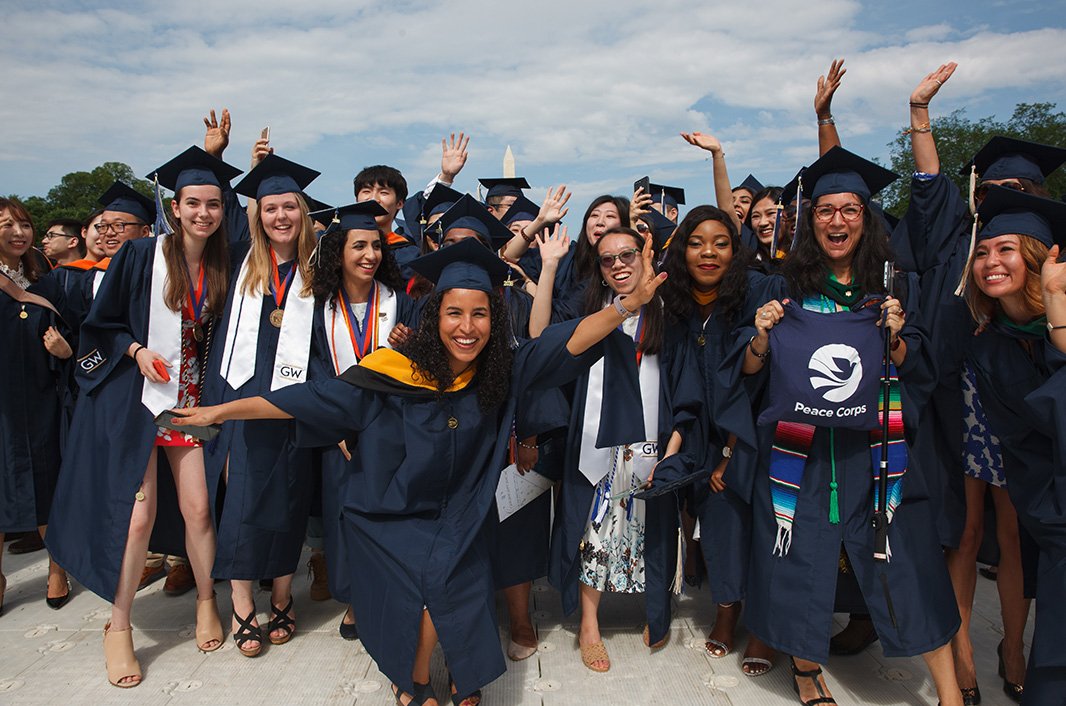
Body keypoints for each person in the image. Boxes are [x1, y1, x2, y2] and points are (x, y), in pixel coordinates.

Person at [173, 236, 669, 706]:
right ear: (435, 316)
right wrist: (219, 412)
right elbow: (307, 399)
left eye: (480, 315)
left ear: (495, 321)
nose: (467, 327)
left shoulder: (501, 372)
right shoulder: (392, 374)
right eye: (454, 312)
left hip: (462, 513)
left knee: (449, 579)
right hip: (391, 515)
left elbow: (569, 341)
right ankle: (412, 679)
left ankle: (437, 673)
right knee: (429, 589)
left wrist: (625, 305)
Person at [742, 147, 963, 706]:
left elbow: (915, 363)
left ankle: (949, 692)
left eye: (850, 210)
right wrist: (762, 337)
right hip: (803, 453)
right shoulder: (782, 290)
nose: (837, 220)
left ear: (867, 220)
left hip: (875, 453)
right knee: (798, 553)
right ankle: (807, 669)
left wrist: (894, 335)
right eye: (825, 210)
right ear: (809, 220)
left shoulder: (891, 291)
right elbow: (745, 372)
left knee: (907, 555)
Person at [45, 146, 242, 688]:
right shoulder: (139, 256)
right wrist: (135, 353)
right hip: (140, 405)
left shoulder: (226, 263)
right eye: (193, 203)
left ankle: (206, 601)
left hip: (189, 407)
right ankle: (119, 625)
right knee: (136, 518)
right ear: (174, 208)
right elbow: (102, 326)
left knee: (200, 511)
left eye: (213, 204)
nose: (203, 213)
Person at [534, 225, 699, 673]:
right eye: (608, 259)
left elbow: (687, 391)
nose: (619, 264)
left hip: (651, 447)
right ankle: (590, 624)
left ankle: (655, 613)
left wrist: (673, 449)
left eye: (628, 254)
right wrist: (549, 265)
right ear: (601, 271)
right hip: (596, 446)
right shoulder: (591, 311)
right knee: (594, 531)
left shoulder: (671, 317)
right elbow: (539, 336)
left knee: (652, 530)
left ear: (646, 257)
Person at [657, 205, 783, 676]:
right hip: (705, 436)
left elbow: (754, 368)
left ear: (736, 250)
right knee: (723, 521)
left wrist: (730, 452)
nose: (708, 252)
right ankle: (728, 609)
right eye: (696, 242)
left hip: (759, 432)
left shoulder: (755, 296)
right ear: (682, 250)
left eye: (721, 242)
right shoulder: (678, 305)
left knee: (771, 530)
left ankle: (767, 630)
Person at [205, 149, 321, 657]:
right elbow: (210, 211)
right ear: (257, 214)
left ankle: (281, 593)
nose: (280, 217)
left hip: (296, 394)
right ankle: (240, 600)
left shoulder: (321, 269)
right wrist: (217, 156)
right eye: (270, 208)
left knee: (291, 492)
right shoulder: (237, 259)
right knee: (245, 495)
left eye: (289, 207)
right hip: (238, 391)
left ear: (303, 212)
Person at [306, 199, 418, 640]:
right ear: (338, 253)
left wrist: (408, 345)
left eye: (375, 246)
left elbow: (418, 368)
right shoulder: (317, 308)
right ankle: (355, 599)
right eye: (359, 246)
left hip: (391, 430)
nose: (370, 255)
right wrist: (337, 428)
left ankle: (390, 593)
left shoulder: (399, 303)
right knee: (344, 515)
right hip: (340, 434)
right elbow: (314, 367)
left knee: (390, 516)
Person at [0, 197, 74, 614]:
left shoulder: (42, 280)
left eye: (24, 224)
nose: (19, 232)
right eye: (6, 224)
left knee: (48, 479)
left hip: (43, 394)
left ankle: (56, 569)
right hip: (3, 400)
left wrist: (65, 353)